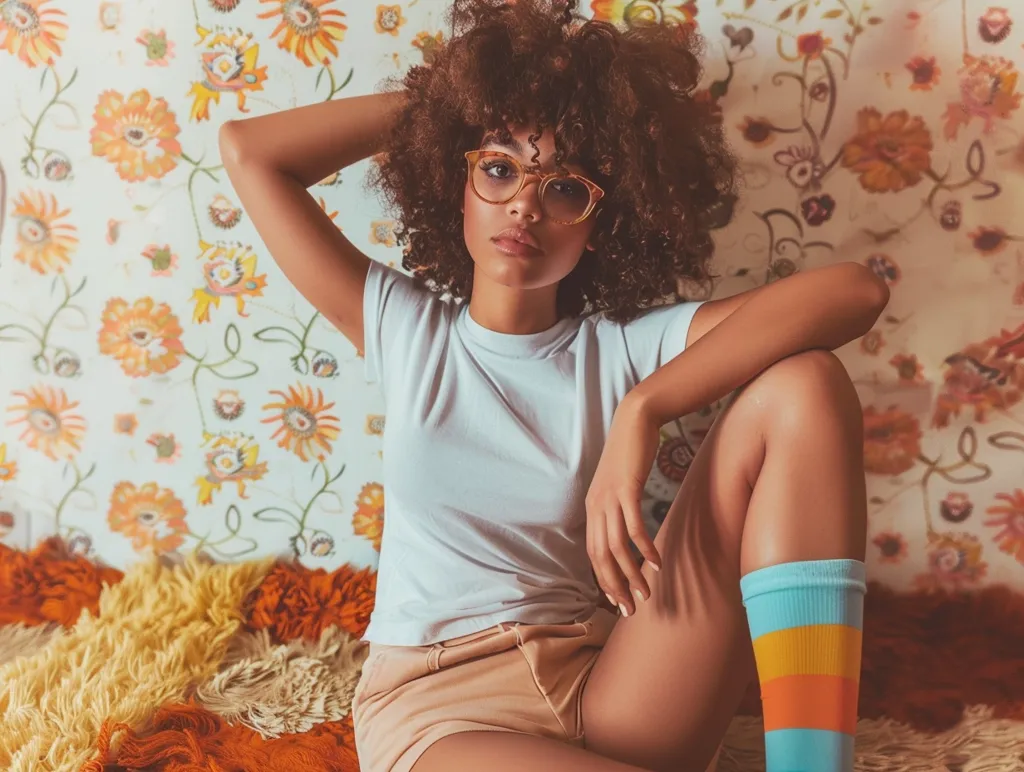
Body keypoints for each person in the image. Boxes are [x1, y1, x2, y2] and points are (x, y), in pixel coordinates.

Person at [219, 1, 886, 770]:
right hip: (440, 710)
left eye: (565, 187)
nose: (524, 206)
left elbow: (853, 295)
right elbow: (249, 152)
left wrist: (646, 406)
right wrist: (460, 101)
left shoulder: (625, 351)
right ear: (457, 182)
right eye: (498, 168)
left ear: (600, 222)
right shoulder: (405, 330)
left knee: (802, 382)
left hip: (612, 684)